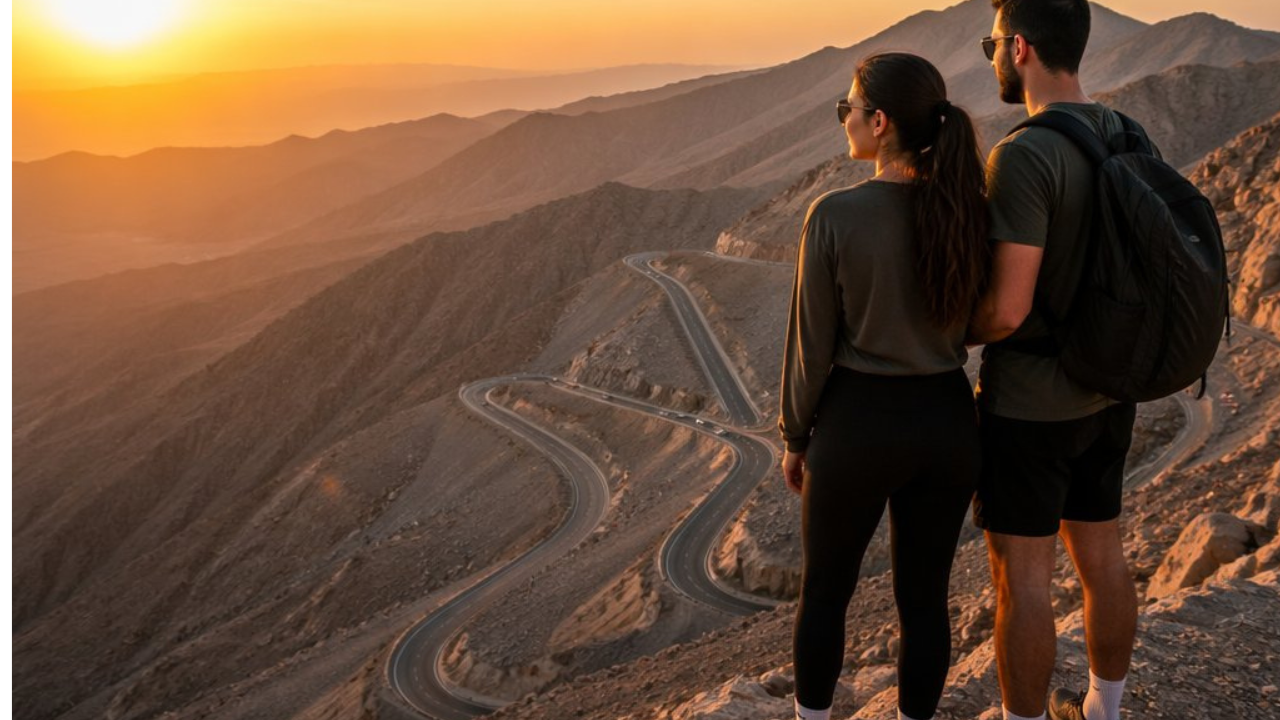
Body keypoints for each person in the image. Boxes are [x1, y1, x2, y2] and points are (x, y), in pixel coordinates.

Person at [778, 52, 989, 720]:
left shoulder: (836, 215)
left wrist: (794, 435)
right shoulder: (967, 209)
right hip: (948, 422)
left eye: (849, 108)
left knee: (826, 594)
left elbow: (810, 347)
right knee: (924, 600)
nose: (844, 120)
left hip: (858, 422)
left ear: (881, 120)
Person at [966, 1, 1159, 719]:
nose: (988, 56)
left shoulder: (1023, 155)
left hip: (1031, 406)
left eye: (990, 43)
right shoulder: (1128, 133)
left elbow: (1008, 311)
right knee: (1104, 558)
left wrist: (945, 334)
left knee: (1023, 580)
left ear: (1019, 48)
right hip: (1110, 391)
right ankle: (1104, 710)